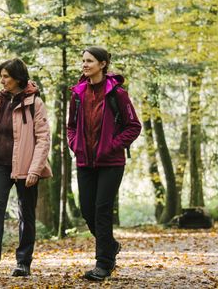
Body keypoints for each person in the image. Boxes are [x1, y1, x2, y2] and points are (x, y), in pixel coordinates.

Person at [0, 58, 52, 278]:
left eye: (6, 76)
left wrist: (35, 170)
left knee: (26, 213)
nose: (2, 80)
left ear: (18, 78)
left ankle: (23, 262)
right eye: (1, 76)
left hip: (26, 166)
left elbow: (43, 139)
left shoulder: (35, 103)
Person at [67, 47, 141, 281]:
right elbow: (70, 125)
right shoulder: (77, 93)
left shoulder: (117, 94)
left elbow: (133, 126)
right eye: (83, 61)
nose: (84, 65)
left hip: (111, 162)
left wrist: (112, 145)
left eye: (89, 61)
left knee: (101, 210)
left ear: (102, 64)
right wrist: (75, 143)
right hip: (84, 161)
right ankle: (109, 246)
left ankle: (103, 264)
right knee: (87, 210)